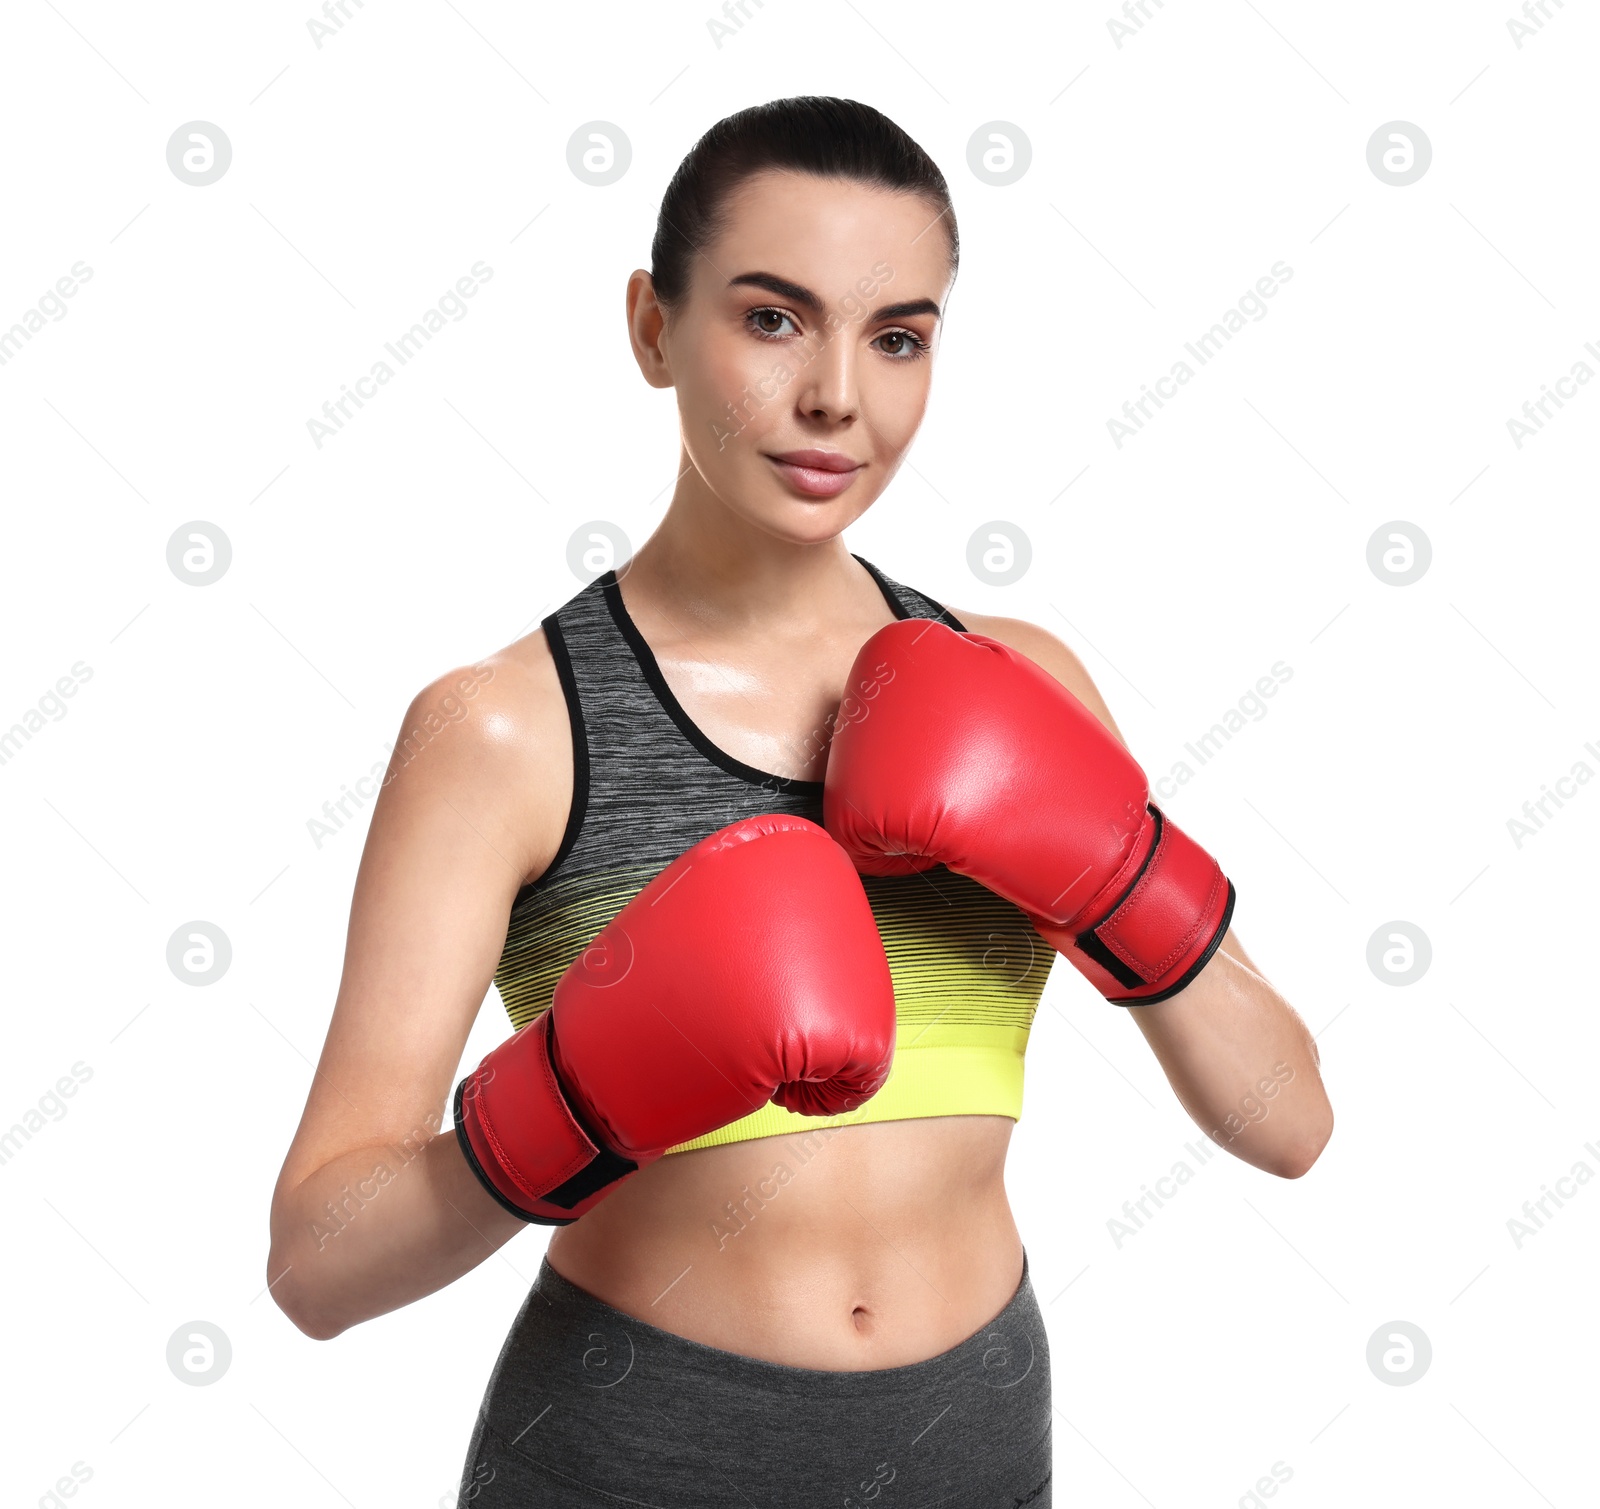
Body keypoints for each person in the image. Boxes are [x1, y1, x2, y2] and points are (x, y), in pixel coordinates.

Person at [266, 95, 1334, 1507]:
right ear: (653, 326)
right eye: (773, 320)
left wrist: (1120, 879)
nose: (840, 393)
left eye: (898, 335)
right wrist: (577, 1100)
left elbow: (1289, 1122)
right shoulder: (508, 728)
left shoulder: (1018, 678)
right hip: (632, 1457)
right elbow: (318, 1263)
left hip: (977, 1448)